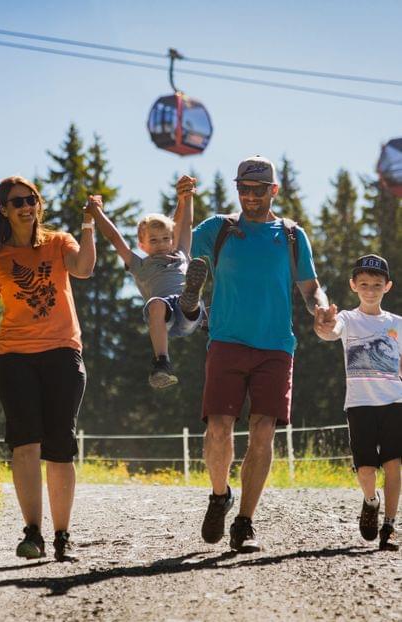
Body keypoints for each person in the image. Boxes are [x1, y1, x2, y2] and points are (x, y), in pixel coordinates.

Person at [191, 155, 333, 552]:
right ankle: (220, 496)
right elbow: (180, 246)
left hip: (275, 346)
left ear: (274, 190)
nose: (249, 197)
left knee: (263, 431)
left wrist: (320, 308)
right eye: (243, 189)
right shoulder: (219, 228)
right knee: (218, 427)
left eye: (257, 190)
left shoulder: (290, 235)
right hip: (226, 340)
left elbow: (310, 289)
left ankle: (245, 523)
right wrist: (184, 202)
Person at [0, 175, 95, 562]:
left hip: (63, 354)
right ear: (4, 209)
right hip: (15, 358)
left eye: (30, 199)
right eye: (17, 201)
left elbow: (83, 268)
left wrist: (88, 224)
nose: (26, 206)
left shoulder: (59, 242)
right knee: (25, 445)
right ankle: (33, 533)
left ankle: (63, 535)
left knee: (60, 446)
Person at [84, 175, 207, 389]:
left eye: (165, 239)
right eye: (153, 240)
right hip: (163, 317)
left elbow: (185, 223)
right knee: (157, 303)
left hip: (186, 312)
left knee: (186, 303)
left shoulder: (181, 253)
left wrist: (187, 196)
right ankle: (162, 362)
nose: (160, 244)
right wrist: (96, 213)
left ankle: (191, 300)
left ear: (172, 239)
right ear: (142, 245)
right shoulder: (138, 264)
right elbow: (114, 237)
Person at [314, 254, 401, 551]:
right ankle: (370, 501)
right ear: (353, 285)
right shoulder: (347, 319)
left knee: (393, 465)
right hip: (360, 404)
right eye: (364, 283)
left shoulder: (398, 324)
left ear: (387, 286)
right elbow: (330, 331)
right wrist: (324, 326)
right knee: (366, 469)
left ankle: (389, 525)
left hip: (394, 403)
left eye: (377, 284)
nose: (370, 289)